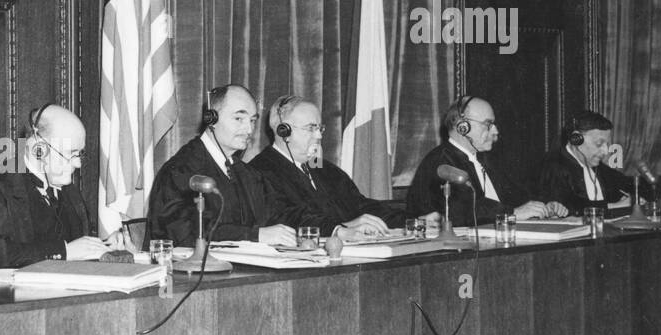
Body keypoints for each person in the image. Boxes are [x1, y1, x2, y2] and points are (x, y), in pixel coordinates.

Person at [0, 104, 108, 266]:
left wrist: (104, 246)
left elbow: (79, 246)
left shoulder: (69, 190)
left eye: (80, 154)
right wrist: (63, 252)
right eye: (70, 154)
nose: (78, 164)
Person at [147, 84, 296, 247]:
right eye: (239, 118)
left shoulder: (247, 173)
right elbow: (184, 234)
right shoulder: (181, 170)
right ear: (211, 119)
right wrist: (255, 235)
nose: (249, 129)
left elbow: (277, 214)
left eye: (252, 120)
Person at [248, 94, 404, 238]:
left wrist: (412, 220)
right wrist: (339, 229)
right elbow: (288, 219)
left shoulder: (324, 168)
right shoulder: (258, 172)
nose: (319, 136)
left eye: (319, 128)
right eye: (311, 128)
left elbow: (360, 205)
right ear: (283, 131)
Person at [406, 94, 568, 227]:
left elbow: (516, 194)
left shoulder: (486, 159)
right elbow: (462, 209)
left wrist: (546, 206)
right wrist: (512, 213)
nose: (495, 131)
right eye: (488, 124)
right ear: (462, 127)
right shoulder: (441, 162)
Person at [536, 110, 635, 214]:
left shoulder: (596, 165)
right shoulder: (553, 166)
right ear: (576, 139)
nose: (605, 151)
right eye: (599, 144)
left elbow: (624, 183)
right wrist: (616, 206)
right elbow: (568, 206)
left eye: (607, 144)